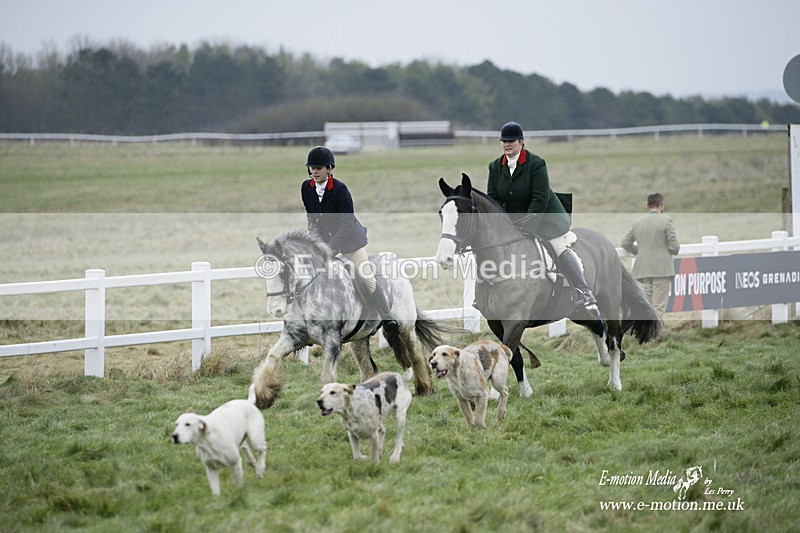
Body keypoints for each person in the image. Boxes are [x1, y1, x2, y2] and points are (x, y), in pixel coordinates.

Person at [486, 121, 602, 318]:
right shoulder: (495, 167)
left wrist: (528, 227)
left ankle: (583, 290)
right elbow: (494, 199)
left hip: (546, 217)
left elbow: (540, 198)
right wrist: (504, 226)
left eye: (511, 141)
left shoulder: (536, 164)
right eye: (504, 141)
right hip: (515, 222)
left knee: (557, 246)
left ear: (521, 142)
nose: (507, 145)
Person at [300, 146, 399, 334]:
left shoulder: (340, 189)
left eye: (319, 168)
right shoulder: (306, 187)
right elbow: (311, 216)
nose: (314, 171)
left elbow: (347, 222)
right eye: (312, 167)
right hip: (324, 241)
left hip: (350, 240)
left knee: (367, 278)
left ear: (329, 169)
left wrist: (331, 248)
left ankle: (387, 318)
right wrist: (314, 241)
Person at [621, 193, 680, 317]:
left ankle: (645, 334)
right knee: (658, 306)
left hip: (641, 269)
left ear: (647, 205)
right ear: (662, 205)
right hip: (661, 270)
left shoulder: (637, 222)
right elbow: (674, 247)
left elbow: (625, 243)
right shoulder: (667, 221)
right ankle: (654, 334)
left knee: (646, 305)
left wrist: (640, 251)